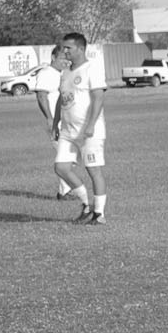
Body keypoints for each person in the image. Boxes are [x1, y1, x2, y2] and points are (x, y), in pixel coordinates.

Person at [55, 32, 109, 224]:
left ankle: (99, 214)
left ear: (81, 48)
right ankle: (87, 204)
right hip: (68, 131)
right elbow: (63, 99)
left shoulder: (91, 68)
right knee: (61, 168)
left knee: (93, 170)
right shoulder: (66, 72)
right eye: (63, 47)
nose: (64, 51)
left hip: (88, 131)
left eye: (68, 48)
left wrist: (91, 124)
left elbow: (98, 98)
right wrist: (56, 123)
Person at [29, 44, 81, 201]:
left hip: (66, 122)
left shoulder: (62, 74)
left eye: (67, 58)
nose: (65, 61)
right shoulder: (46, 73)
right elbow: (41, 96)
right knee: (66, 156)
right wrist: (50, 119)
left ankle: (65, 190)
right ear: (53, 57)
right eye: (62, 58)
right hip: (55, 123)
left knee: (71, 156)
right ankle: (65, 192)